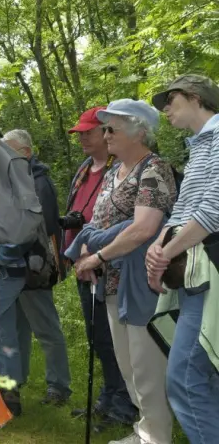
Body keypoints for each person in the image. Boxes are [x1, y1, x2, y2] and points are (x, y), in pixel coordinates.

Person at [75, 99, 176, 444]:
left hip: (142, 283)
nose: (105, 135)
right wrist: (86, 251)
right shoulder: (112, 174)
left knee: (146, 365)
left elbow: (143, 228)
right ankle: (144, 429)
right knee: (128, 364)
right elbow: (98, 222)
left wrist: (97, 256)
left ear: (137, 131)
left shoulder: (154, 169)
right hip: (112, 283)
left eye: (111, 128)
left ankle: (156, 435)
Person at [146, 74, 219, 444]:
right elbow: (181, 211)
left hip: (211, 272)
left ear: (194, 97)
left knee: (186, 379)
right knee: (205, 378)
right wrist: (158, 250)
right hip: (193, 274)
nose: (165, 109)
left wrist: (165, 253)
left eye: (169, 99)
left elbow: (214, 212)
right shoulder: (200, 145)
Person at [63, 107, 137, 426]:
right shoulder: (85, 168)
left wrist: (92, 251)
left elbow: (121, 221)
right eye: (79, 133)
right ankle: (108, 396)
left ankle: (125, 404)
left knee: (114, 336)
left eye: (89, 132)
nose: (83, 138)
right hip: (84, 262)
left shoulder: (120, 169)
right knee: (98, 337)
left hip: (110, 264)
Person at [1, 129, 72, 408]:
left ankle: (59, 387)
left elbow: (39, 229)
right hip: (14, 266)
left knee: (46, 329)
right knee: (16, 328)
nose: (5, 155)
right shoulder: (15, 178)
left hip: (35, 268)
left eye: (10, 149)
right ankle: (13, 384)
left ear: (26, 152)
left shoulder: (39, 182)